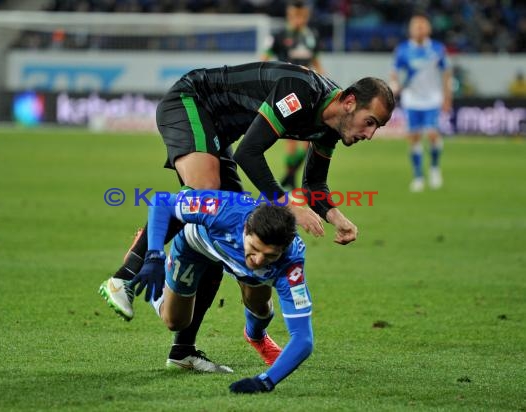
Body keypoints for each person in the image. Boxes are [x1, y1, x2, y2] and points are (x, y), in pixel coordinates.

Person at [99, 61, 394, 372]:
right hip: (191, 101)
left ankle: (183, 350)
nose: (370, 134)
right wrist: (288, 204)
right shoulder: (301, 93)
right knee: (205, 192)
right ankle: (124, 278)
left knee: (217, 241)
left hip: (217, 133)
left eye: (377, 127)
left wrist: (336, 217)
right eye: (370, 122)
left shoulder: (329, 125)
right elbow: (249, 152)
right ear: (349, 102)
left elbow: (314, 184)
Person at [134, 188, 313, 393]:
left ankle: (256, 337)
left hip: (240, 265)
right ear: (246, 228)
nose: (259, 260)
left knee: (262, 309)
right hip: (195, 246)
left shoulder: (292, 266)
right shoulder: (223, 208)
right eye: (255, 248)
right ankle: (140, 268)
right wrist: (153, 255)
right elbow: (162, 201)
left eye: (270, 255)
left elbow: (303, 338)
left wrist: (265, 381)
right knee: (175, 321)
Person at [262, 0, 324, 191]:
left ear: (306, 16)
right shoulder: (279, 36)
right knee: (291, 141)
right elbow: (264, 60)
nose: (299, 19)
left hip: (309, 93)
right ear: (290, 16)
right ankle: (292, 182)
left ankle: (289, 178)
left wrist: (325, 83)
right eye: (295, 15)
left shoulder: (311, 36)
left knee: (309, 141)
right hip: (287, 93)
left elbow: (315, 62)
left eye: (302, 16)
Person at [390, 13, 452, 192]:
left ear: (429, 28)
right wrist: (395, 85)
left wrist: (447, 97)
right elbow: (395, 72)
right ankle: (418, 176)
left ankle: (434, 168)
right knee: (414, 137)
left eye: (422, 25)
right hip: (412, 99)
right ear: (410, 29)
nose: (419, 28)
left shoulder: (438, 49)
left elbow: (446, 73)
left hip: (433, 98)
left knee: (432, 134)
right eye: (416, 25)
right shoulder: (402, 50)